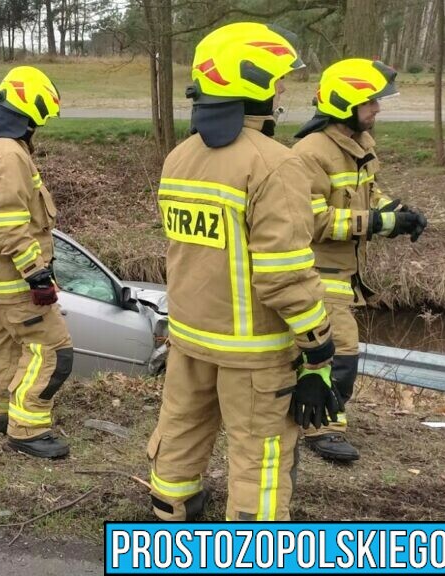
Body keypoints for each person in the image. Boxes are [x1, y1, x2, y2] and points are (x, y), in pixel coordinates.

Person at [148, 22, 338, 522]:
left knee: (181, 433)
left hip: (189, 337)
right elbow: (284, 274)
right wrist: (318, 346)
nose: (282, 90)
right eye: (278, 80)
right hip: (254, 352)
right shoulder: (276, 164)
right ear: (252, 83)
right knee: (260, 460)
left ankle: (171, 517)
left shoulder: (178, 158)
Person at [293, 59, 428, 462]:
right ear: (344, 104)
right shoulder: (310, 154)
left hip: (346, 273)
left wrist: (399, 214)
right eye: (370, 102)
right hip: (317, 271)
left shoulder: (359, 145)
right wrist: (379, 221)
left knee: (327, 350)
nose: (378, 109)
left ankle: (306, 415)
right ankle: (322, 430)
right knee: (340, 350)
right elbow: (314, 220)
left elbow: (369, 193)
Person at [0, 66, 74, 460]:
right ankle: (27, 429)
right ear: (30, 111)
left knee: (7, 349)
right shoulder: (11, 156)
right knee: (54, 352)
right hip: (15, 283)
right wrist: (38, 274)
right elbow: (11, 227)